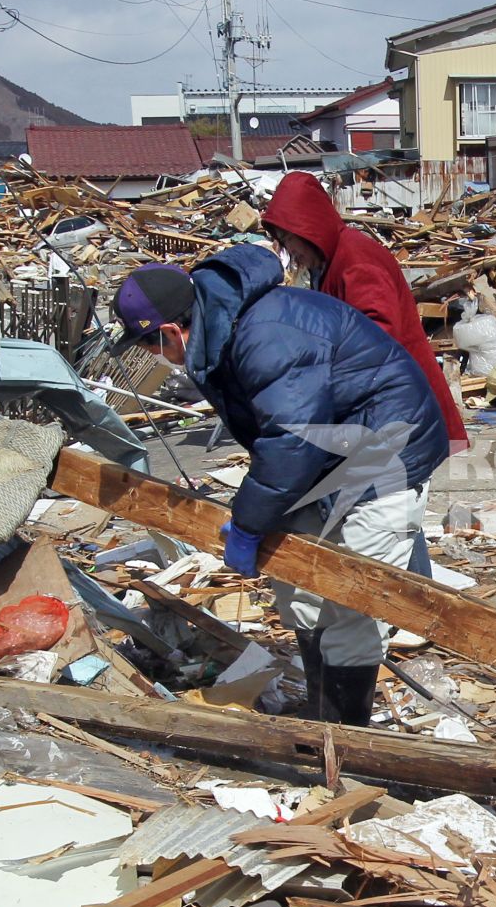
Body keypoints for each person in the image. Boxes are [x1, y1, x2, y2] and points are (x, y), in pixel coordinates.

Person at [110, 251, 450, 728]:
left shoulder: (265, 334)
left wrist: (249, 523)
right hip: (328, 456)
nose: (155, 359)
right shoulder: (219, 331)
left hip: (384, 455)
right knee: (301, 591)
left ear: (170, 331)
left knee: (353, 601)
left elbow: (291, 439)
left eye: (150, 346)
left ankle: (343, 737)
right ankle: (321, 711)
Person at [261, 170, 468, 454]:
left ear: (308, 227)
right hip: (385, 401)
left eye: (289, 238)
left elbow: (378, 334)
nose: (289, 250)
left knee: (397, 491)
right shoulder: (328, 261)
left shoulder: (356, 259)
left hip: (401, 401)